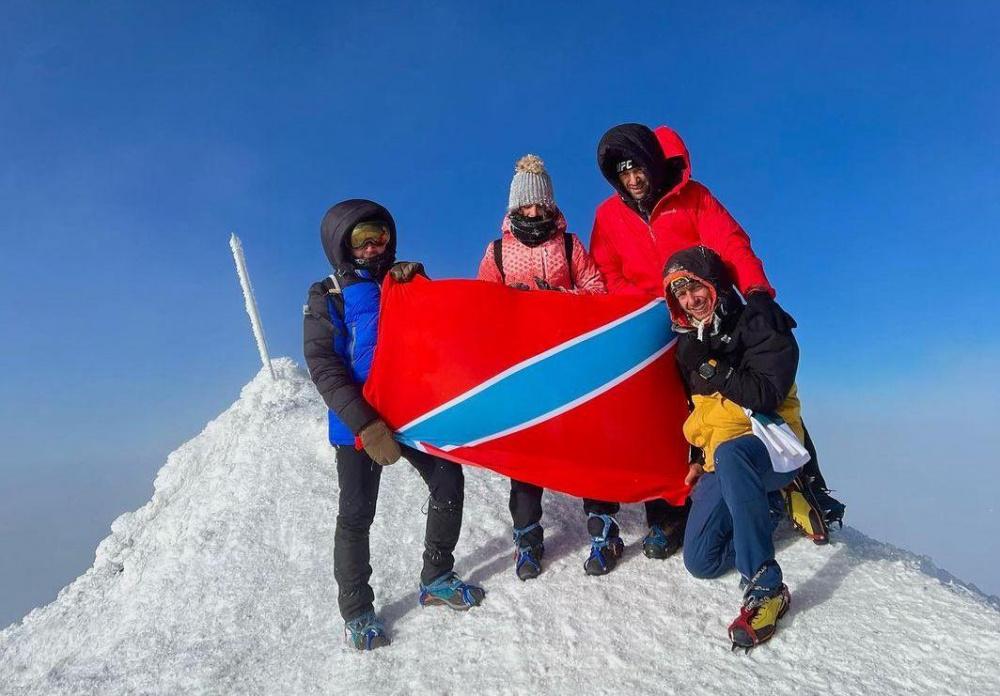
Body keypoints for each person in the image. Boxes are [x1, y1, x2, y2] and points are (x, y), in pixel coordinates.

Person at [590, 122, 843, 540]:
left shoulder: (693, 197)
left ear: (652, 164)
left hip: (713, 310)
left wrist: (758, 293)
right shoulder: (608, 216)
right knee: (673, 407)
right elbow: (608, 271)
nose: (633, 179)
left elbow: (731, 242)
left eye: (639, 168)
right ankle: (673, 506)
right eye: (623, 173)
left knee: (759, 391)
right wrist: (647, 308)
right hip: (657, 324)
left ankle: (802, 482)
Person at [304, 199, 485, 651]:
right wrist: (366, 425)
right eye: (361, 239)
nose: (372, 247)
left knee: (447, 482)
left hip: (411, 413)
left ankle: (437, 575)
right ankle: (357, 610)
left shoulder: (401, 283)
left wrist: (419, 287)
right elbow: (324, 367)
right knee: (357, 515)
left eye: (380, 237)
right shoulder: (327, 294)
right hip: (360, 425)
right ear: (341, 245)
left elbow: (436, 335)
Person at [663, 245, 814, 651]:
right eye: (680, 294)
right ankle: (772, 508)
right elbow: (700, 410)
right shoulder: (690, 345)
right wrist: (698, 457)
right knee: (701, 562)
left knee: (733, 453)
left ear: (715, 286)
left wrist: (711, 367)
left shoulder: (760, 324)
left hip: (770, 450)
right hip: (722, 457)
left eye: (695, 288)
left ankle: (765, 585)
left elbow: (764, 394)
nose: (690, 300)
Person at [477, 155, 621, 578]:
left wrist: (561, 300)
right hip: (524, 369)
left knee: (588, 445)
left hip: (572, 364)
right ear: (514, 207)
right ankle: (527, 540)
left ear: (551, 204)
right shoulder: (498, 252)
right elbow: (482, 307)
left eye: (541, 204)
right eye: (526, 205)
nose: (534, 212)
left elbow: (598, 291)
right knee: (526, 453)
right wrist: (513, 305)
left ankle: (604, 530)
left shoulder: (571, 245)